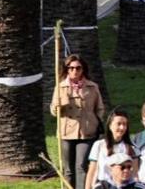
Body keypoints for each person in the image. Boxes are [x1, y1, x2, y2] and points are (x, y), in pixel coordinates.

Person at [53, 53, 109, 189]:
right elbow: (54, 112)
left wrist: (94, 121)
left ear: (83, 69)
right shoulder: (60, 87)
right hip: (67, 133)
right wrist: (58, 105)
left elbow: (100, 108)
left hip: (87, 133)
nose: (75, 71)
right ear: (67, 69)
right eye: (71, 68)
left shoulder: (92, 87)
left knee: (82, 166)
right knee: (68, 169)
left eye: (78, 68)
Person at [86, 108, 135, 189]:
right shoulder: (99, 145)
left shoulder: (130, 147)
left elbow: (134, 174)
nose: (122, 128)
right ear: (110, 126)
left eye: (124, 124)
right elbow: (91, 171)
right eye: (118, 124)